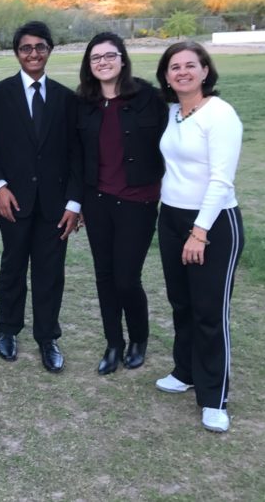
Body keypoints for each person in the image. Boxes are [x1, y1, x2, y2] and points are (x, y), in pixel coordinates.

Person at [154, 41, 244, 433]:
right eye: (175, 67)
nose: (183, 72)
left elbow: (221, 179)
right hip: (171, 217)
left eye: (191, 65)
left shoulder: (220, 114)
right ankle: (185, 370)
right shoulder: (173, 112)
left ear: (206, 71)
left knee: (209, 311)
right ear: (167, 76)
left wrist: (200, 232)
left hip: (212, 223)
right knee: (181, 303)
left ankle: (214, 397)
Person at [0, 20, 81, 373]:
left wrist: (74, 203)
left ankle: (47, 337)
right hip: (13, 200)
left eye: (40, 47)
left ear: (50, 50)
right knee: (12, 266)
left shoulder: (66, 98)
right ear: (17, 53)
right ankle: (7, 330)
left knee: (50, 272)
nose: (33, 54)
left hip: (56, 205)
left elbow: (77, 155)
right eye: (26, 48)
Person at [75, 33, 167, 375]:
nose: (102, 62)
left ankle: (138, 339)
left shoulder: (149, 98)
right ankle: (113, 343)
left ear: (122, 59)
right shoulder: (82, 102)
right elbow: (71, 151)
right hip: (97, 200)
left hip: (138, 201)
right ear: (89, 65)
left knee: (127, 278)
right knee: (104, 275)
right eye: (95, 58)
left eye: (108, 56)